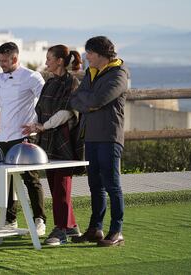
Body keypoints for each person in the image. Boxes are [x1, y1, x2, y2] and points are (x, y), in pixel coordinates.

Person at [68, 36, 129, 247]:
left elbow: (97, 100)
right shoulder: (90, 72)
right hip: (92, 136)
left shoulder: (119, 74)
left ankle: (116, 231)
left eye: (90, 53)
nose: (86, 57)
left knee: (112, 185)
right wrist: (89, 103)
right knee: (95, 185)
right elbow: (75, 99)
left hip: (110, 137)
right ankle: (95, 229)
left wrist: (89, 101)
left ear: (101, 54)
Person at [22, 45, 84, 245]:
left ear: (59, 61)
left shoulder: (72, 83)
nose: (46, 61)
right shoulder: (49, 83)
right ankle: (71, 226)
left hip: (63, 141)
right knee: (54, 185)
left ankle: (60, 230)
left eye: (49, 58)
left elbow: (66, 113)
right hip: (47, 140)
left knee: (62, 188)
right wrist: (33, 128)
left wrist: (42, 126)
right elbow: (40, 110)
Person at [0, 42, 47, 236]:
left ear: (15, 58)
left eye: (4, 61)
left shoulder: (31, 76)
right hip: (4, 137)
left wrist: (37, 123)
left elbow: (46, 99)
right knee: (6, 181)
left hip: (24, 137)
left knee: (31, 179)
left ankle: (40, 220)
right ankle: (10, 220)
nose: (1, 64)